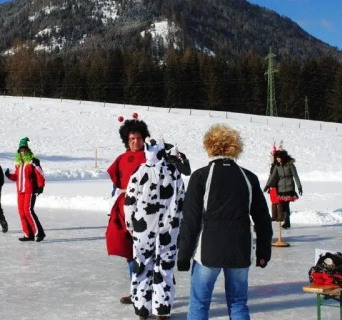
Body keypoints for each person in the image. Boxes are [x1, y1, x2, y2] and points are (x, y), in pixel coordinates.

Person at [177, 124, 272, 320]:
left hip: (208, 252)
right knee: (238, 304)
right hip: (240, 250)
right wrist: (263, 251)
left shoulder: (201, 176)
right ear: (235, 147)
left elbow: (191, 219)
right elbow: (262, 218)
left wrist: (184, 254)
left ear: (209, 146)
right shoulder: (248, 177)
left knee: (199, 304)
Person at [124, 138, 185, 320]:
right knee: (164, 266)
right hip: (169, 228)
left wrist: (130, 224)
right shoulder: (174, 173)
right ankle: (162, 308)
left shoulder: (140, 171)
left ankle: (143, 307)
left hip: (144, 228)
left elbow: (129, 200)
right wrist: (179, 224)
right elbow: (182, 200)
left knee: (142, 264)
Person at [105, 118, 149, 305]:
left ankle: (151, 292)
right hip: (124, 208)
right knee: (128, 251)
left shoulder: (151, 157)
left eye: (138, 138)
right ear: (126, 139)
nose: (135, 142)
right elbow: (116, 183)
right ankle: (135, 291)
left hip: (146, 209)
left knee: (145, 252)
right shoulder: (121, 158)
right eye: (132, 138)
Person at [5, 137, 46, 242]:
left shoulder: (32, 161)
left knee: (28, 211)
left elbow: (40, 174)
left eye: (24, 150)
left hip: (29, 190)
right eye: (21, 150)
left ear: (28, 150)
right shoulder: (19, 164)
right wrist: (9, 176)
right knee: (22, 212)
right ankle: (28, 234)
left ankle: (39, 233)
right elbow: (17, 177)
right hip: (20, 191)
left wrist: (40, 187)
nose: (23, 152)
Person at [265, 149, 303, 229]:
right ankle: (284, 219)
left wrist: (299, 187)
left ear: (283, 157)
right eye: (277, 158)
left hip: (289, 186)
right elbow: (273, 176)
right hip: (281, 187)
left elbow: (296, 176)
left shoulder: (290, 165)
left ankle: (287, 222)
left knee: (286, 205)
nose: (277, 159)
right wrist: (267, 186)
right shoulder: (277, 166)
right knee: (281, 204)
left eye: (279, 158)